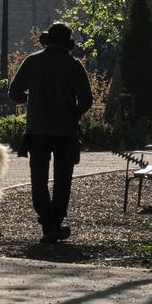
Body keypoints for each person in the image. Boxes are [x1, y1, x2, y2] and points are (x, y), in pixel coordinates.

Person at [8, 22, 92, 245]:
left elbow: (14, 92)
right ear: (69, 43)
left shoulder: (33, 61)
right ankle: (56, 221)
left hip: (38, 130)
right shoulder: (74, 66)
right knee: (63, 180)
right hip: (66, 132)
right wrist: (73, 112)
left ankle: (48, 225)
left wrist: (31, 99)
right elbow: (86, 100)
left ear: (47, 40)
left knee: (39, 180)